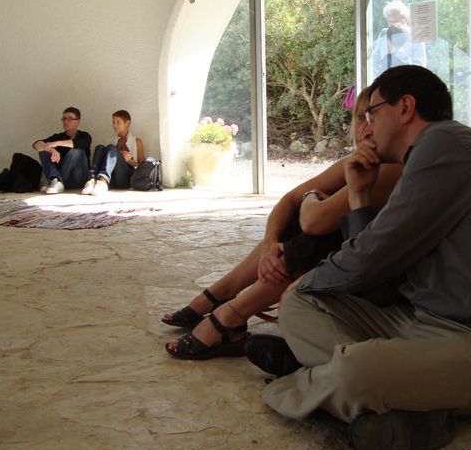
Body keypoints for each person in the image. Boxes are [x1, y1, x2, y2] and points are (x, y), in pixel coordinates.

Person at [244, 65, 471, 450]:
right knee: (298, 307)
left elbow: (368, 260)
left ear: (406, 107)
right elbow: (379, 276)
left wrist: (308, 281)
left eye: (371, 113)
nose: (365, 126)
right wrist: (360, 195)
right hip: (427, 322)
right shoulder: (426, 158)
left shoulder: (446, 146)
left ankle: (306, 379)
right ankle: (407, 397)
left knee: (356, 372)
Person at [163, 88, 404, 360]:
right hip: (345, 266)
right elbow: (289, 199)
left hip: (374, 281)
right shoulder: (357, 162)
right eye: (360, 118)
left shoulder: (393, 170)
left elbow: (315, 222)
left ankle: (229, 314)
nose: (365, 129)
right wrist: (269, 243)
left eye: (374, 118)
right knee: (288, 226)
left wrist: (312, 198)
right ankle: (223, 295)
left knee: (314, 236)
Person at [82, 110, 144, 196]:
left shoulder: (136, 141)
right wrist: (120, 153)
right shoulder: (111, 140)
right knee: (99, 147)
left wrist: (129, 161)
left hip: (126, 180)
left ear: (127, 123)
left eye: (118, 122)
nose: (114, 125)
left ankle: (103, 181)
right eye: (113, 122)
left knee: (111, 147)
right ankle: (92, 180)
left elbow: (143, 168)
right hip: (112, 179)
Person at [33, 108, 92, 194]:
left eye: (70, 118)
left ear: (78, 121)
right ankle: (56, 180)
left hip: (79, 178)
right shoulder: (59, 136)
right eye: (64, 118)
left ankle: (56, 180)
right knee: (43, 150)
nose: (66, 121)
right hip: (64, 178)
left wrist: (57, 143)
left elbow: (80, 144)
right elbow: (36, 144)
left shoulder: (84, 135)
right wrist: (51, 149)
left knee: (78, 151)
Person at [372, 0, 426, 77]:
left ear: (406, 19)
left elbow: (420, 66)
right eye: (389, 21)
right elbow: (375, 57)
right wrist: (375, 71)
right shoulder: (384, 33)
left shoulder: (415, 37)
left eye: (395, 21)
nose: (392, 24)